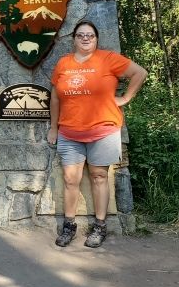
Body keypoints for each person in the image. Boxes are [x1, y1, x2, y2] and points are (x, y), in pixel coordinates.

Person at [47, 20, 147, 248]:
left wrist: (125, 98)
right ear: (73, 38)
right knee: (71, 179)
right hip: (70, 132)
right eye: (80, 35)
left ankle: (100, 226)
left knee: (99, 177)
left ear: (96, 39)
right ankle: (69, 225)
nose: (85, 38)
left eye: (90, 35)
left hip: (103, 130)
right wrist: (54, 127)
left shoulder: (108, 59)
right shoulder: (63, 63)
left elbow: (139, 73)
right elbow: (55, 98)